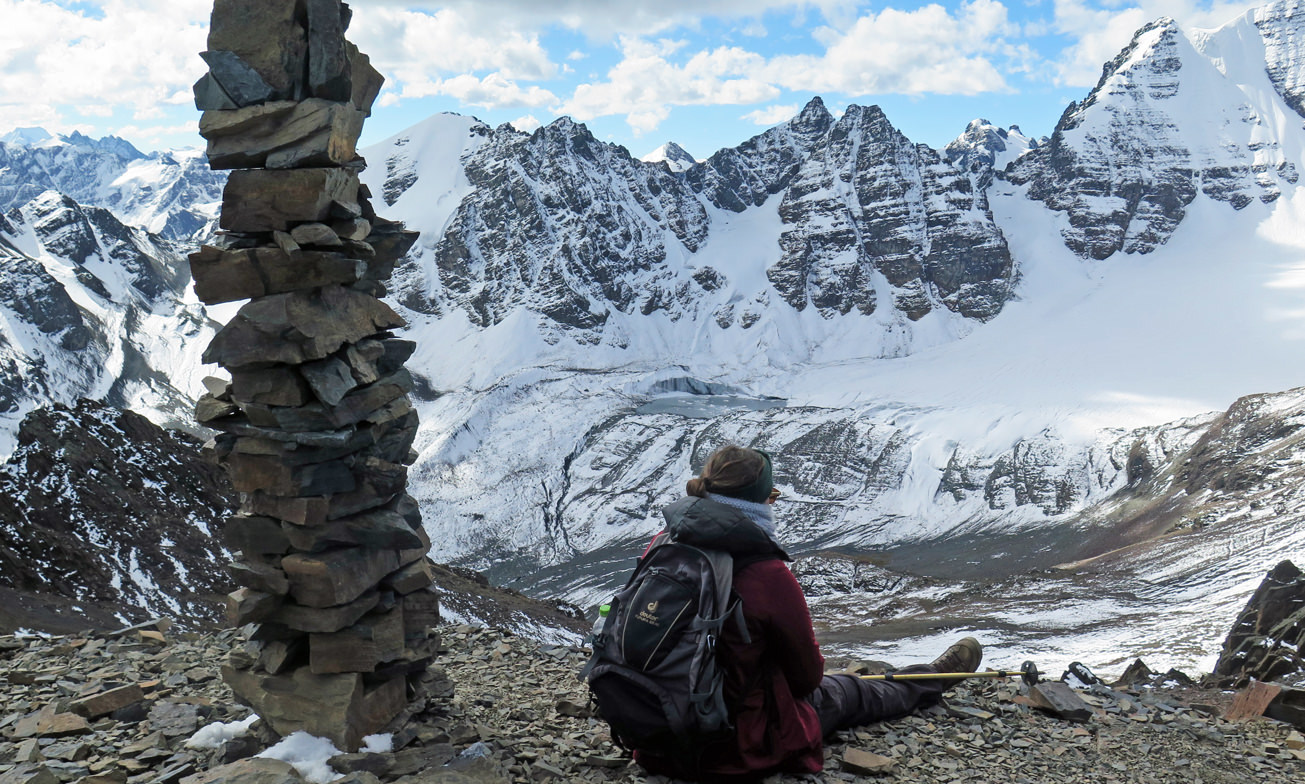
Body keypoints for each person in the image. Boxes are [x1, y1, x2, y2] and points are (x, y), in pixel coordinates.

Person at [632, 444, 983, 782]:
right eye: (773, 496)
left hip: (653, 736)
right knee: (850, 691)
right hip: (732, 749)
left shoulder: (663, 544)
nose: (774, 503)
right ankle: (931, 679)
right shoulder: (765, 572)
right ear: (757, 500)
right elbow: (807, 679)